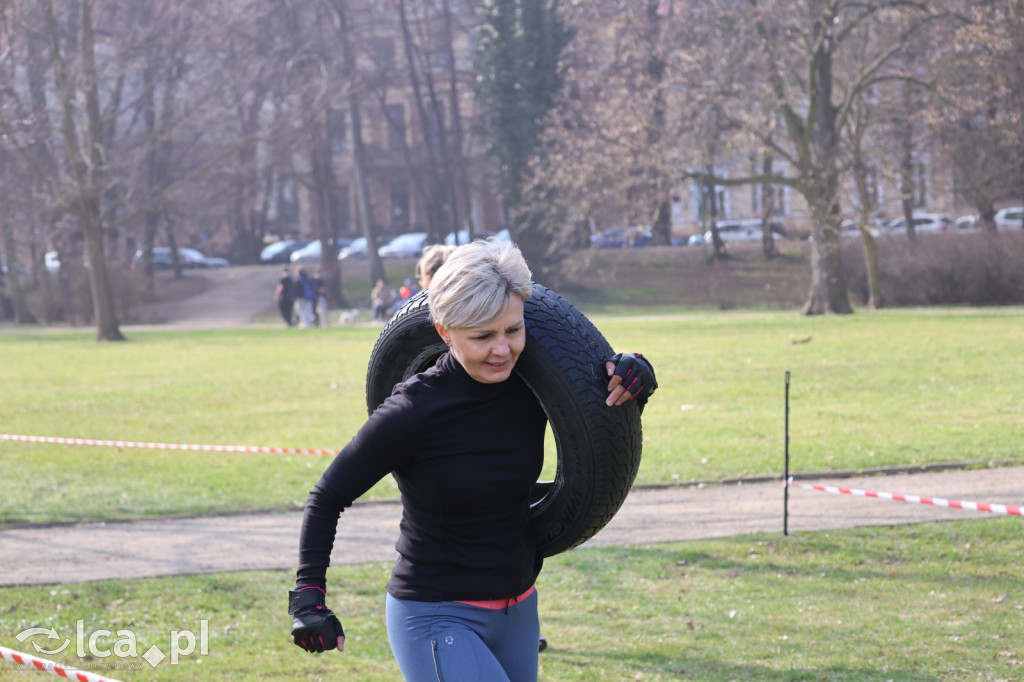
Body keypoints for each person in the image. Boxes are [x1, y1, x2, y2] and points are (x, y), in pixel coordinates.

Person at [287, 238, 657, 681]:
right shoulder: (412, 411)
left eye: (513, 331)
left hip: (519, 608)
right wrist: (308, 597)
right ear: (444, 331)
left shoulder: (534, 386)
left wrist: (634, 377)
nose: (502, 350)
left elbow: (598, 425)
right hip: (437, 614)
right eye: (482, 337)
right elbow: (327, 496)